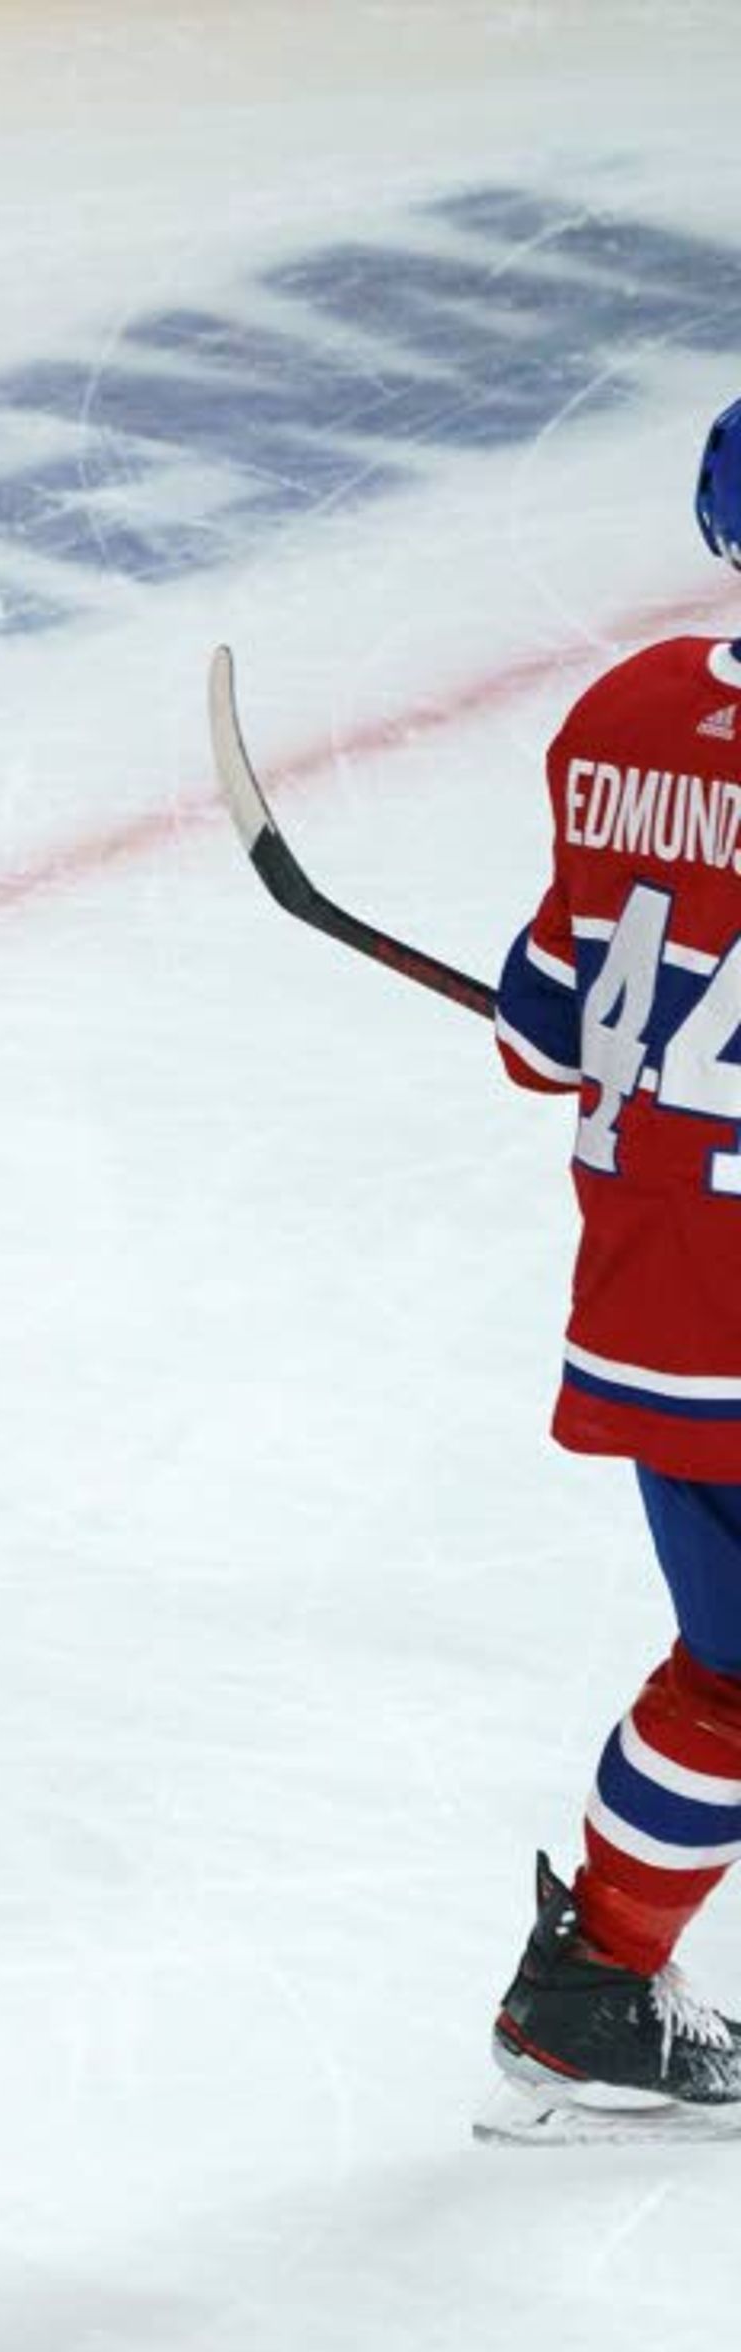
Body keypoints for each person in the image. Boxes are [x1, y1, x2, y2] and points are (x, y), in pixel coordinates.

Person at [478, 399, 741, 2144]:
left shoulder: (623, 712)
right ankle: (583, 1998)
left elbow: (540, 1019)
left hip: (658, 1311)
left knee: (729, 1677)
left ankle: (590, 1990)